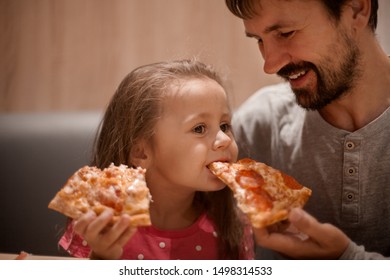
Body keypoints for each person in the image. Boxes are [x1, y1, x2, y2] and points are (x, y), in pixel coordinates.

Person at [225, 0, 390, 259]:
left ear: (357, 10)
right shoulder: (256, 126)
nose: (270, 64)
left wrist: (348, 260)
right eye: (259, 40)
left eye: (286, 33)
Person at [58, 59, 254, 260]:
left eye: (224, 125)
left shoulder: (233, 225)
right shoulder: (102, 222)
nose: (223, 140)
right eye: (199, 128)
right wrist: (102, 257)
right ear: (142, 153)